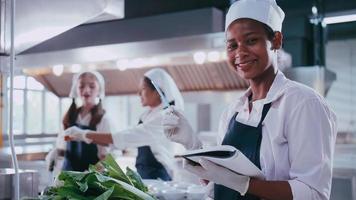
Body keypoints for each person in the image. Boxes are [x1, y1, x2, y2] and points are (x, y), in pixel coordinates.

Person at [162, 0, 337, 199]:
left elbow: (313, 193)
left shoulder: (303, 104)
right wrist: (193, 146)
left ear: (276, 40)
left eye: (251, 40)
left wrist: (243, 183)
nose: (240, 52)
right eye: (232, 45)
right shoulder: (232, 111)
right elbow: (219, 181)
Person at [64, 68, 199, 180]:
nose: (138, 93)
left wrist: (85, 134)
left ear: (157, 92)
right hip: (143, 173)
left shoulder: (165, 117)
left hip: (159, 174)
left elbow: (129, 137)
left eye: (143, 89)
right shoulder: (146, 115)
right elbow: (131, 141)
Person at [46, 70, 111, 173]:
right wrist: (57, 152)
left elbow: (106, 156)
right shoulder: (69, 117)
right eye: (81, 86)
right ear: (76, 89)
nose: (86, 90)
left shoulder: (103, 119)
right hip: (68, 175)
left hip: (91, 178)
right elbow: (66, 143)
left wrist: (92, 173)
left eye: (92, 86)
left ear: (99, 90)